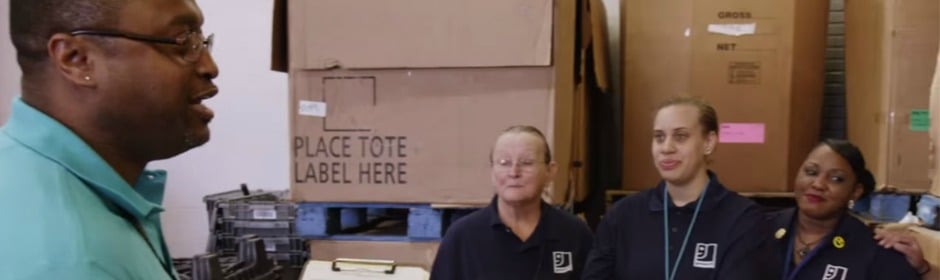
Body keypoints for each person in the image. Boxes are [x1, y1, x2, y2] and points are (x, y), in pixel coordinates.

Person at [0, 0, 218, 279]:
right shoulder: (73, 261)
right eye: (182, 42)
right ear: (77, 59)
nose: (209, 67)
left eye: (201, 41)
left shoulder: (18, 164)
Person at [582, 96, 776, 279]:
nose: (666, 148)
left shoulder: (743, 220)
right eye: (659, 137)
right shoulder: (621, 216)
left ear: (708, 142)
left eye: (680, 136)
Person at [430, 125, 595, 280]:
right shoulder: (462, 237)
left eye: (527, 163)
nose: (514, 172)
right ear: (492, 171)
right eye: (504, 163)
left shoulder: (575, 233)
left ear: (550, 171)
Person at [766, 139, 921, 279]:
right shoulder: (758, 230)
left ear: (855, 191)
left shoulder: (878, 253)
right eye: (811, 172)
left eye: (836, 179)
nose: (818, 184)